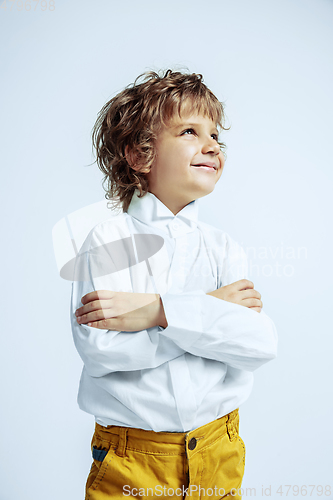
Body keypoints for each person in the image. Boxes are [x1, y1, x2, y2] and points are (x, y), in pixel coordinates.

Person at [70, 69, 278, 500]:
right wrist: (210, 309)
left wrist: (157, 312)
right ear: (139, 155)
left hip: (219, 451)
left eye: (216, 135)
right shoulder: (109, 241)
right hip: (133, 460)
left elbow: (258, 344)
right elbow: (102, 350)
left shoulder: (224, 248)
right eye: (189, 131)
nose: (212, 145)